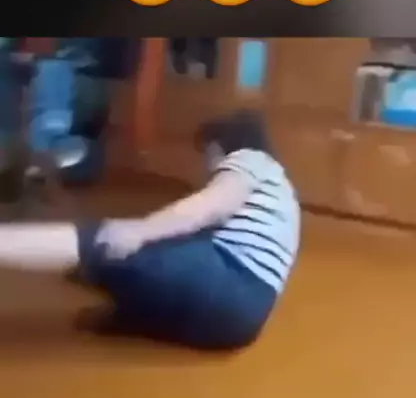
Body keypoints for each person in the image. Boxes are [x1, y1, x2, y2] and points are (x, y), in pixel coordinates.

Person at [0, 110, 301, 349]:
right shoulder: (281, 190)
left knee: (104, 240)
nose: (208, 165)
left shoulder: (251, 159)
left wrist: (140, 231)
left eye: (210, 153)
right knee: (130, 259)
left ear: (225, 144)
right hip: (241, 325)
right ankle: (127, 314)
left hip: (230, 281)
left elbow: (213, 205)